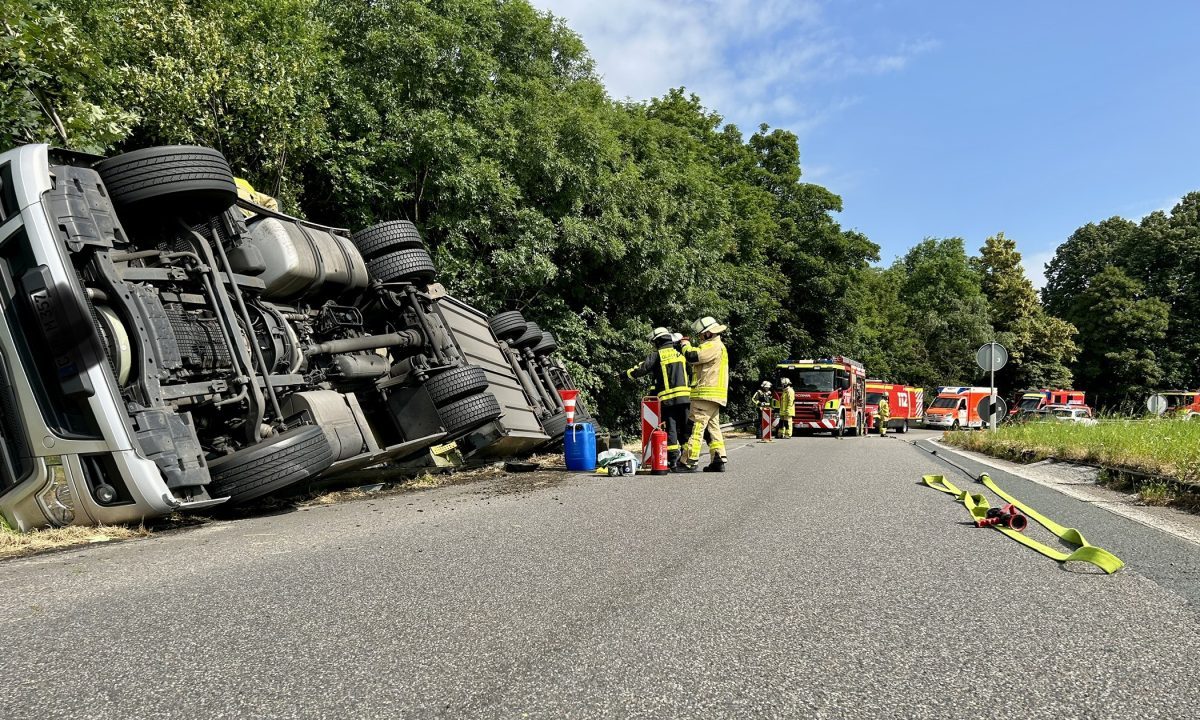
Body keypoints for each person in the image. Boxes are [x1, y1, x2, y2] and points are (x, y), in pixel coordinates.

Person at [624, 327, 691, 469]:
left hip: (668, 399)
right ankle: (688, 459)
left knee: (671, 428)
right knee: (685, 428)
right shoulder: (680, 353)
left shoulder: (657, 355)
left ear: (658, 341)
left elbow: (641, 368)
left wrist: (625, 374)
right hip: (685, 398)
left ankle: (673, 460)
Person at [681, 316, 729, 472]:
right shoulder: (718, 346)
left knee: (695, 426)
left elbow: (693, 356)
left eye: (701, 334)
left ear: (708, 333)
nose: (700, 338)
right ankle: (718, 459)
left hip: (705, 394)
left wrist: (684, 345)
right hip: (714, 396)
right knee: (712, 428)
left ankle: (689, 461)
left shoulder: (712, 346)